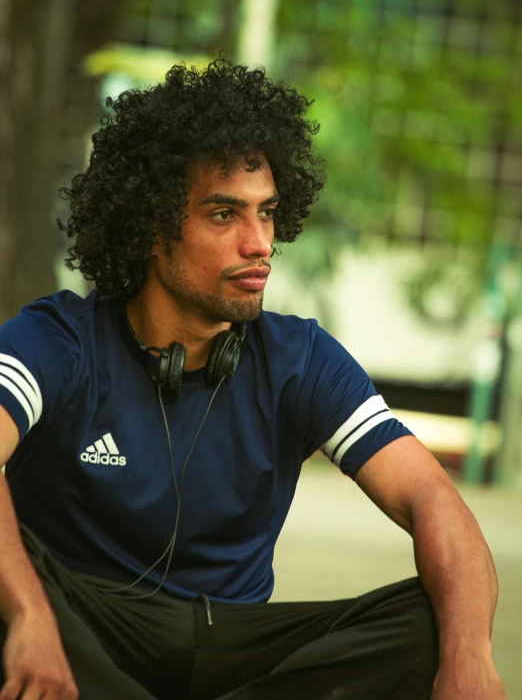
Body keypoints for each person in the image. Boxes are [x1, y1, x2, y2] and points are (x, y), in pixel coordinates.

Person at [0, 58, 506, 700]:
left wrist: (470, 660)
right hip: (88, 636)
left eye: (266, 214)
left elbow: (434, 499)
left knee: (438, 617)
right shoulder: (60, 340)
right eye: (223, 215)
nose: (259, 243)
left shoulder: (300, 359)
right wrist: (28, 616)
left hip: (237, 648)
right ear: (152, 228)